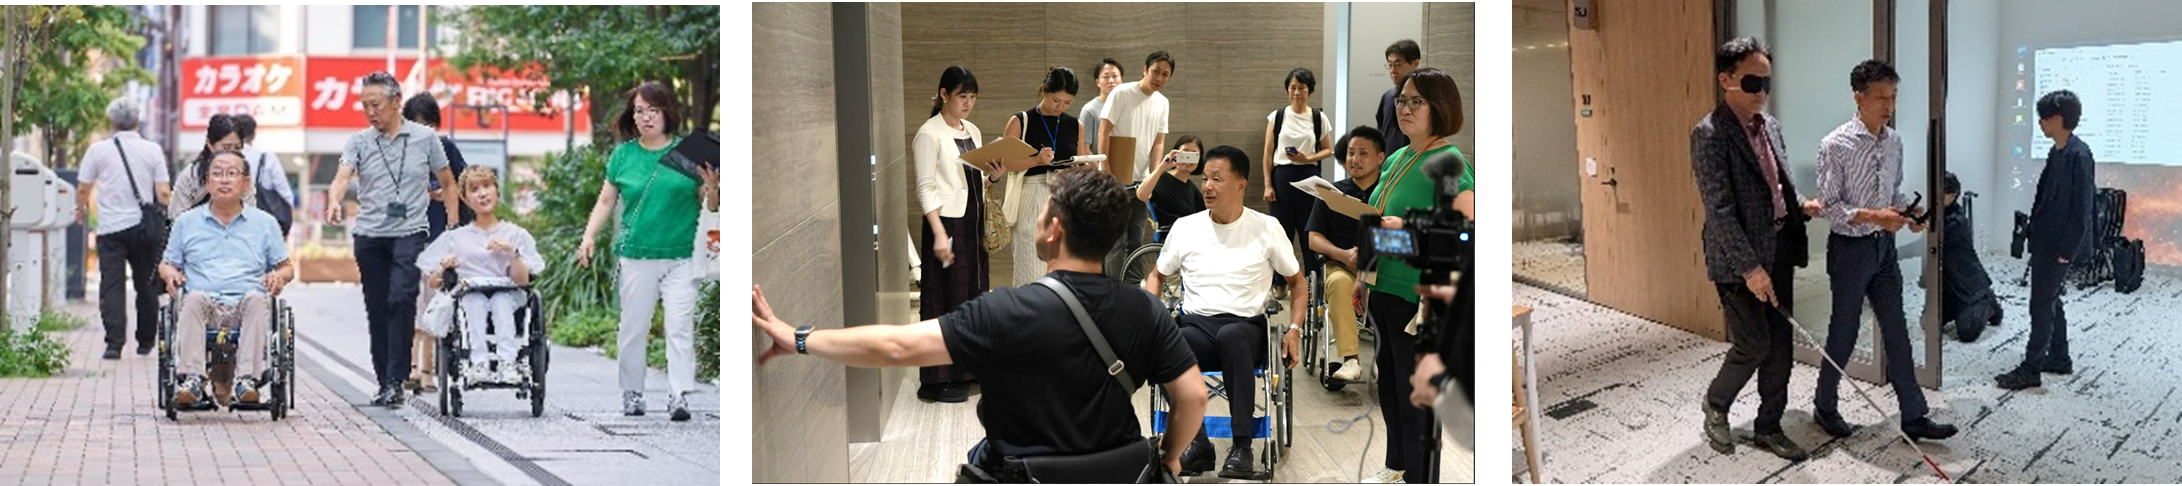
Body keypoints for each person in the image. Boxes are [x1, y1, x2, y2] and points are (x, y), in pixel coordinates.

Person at [751, 167, 1209, 482]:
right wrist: (1169, 456)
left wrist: (801, 338)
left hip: (1020, 474)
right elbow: (1192, 396)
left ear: (1054, 230)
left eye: (1043, 210)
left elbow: (896, 347)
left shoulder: (1004, 309)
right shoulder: (1145, 309)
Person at [1810, 59, 1959, 442]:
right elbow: (1829, 207)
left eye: (1892, 97)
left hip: (1883, 249)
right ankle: (1824, 405)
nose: (1888, 106)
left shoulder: (1894, 141)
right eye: (1880, 97)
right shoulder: (1835, 144)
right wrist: (1875, 216)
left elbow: (1892, 194)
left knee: (1897, 330)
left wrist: (1909, 214)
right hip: (1850, 249)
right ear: (1858, 98)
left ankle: (1914, 416)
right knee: (1843, 332)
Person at [1141, 145, 1304, 479]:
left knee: (1231, 336)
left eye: (1217, 178)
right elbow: (1157, 276)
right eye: (1205, 178)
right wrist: (1152, 322)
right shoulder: (1186, 227)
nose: (1207, 186)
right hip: (1196, 325)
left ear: (1241, 184)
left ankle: (1242, 446)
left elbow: (1298, 283)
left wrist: (1294, 331)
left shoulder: (1266, 227)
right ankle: (1197, 442)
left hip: (1246, 328)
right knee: (1166, 347)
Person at [1691, 36, 1812, 461]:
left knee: (1780, 346)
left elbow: (1777, 187)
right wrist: (1750, 269)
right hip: (1736, 258)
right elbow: (1720, 210)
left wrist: (1802, 205)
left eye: (1767, 83)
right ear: (1725, 79)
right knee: (1753, 344)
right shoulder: (1710, 134)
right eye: (1752, 82)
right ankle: (1716, 403)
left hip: (1778, 246)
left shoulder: (1771, 126)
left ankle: (1769, 427)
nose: (1761, 92)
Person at [576, 81, 721, 421]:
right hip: (637, 256)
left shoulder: (688, 152)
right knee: (633, 328)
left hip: (682, 256)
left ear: (667, 112)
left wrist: (713, 187)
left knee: (679, 326)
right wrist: (589, 236)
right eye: (639, 111)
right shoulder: (623, 155)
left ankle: (679, 395)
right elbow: (606, 200)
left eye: (653, 110)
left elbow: (709, 205)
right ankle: (633, 392)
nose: (646, 117)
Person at [1358, 66, 1469, 483]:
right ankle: (1398, 465)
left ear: (1439, 107)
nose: (1404, 108)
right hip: (1384, 286)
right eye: (1401, 100)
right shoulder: (1398, 157)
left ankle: (1421, 477)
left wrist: (1406, 228)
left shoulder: (1449, 162)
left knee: (1416, 397)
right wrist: (1363, 274)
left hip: (1419, 296)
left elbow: (1463, 233)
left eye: (1416, 102)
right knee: (1389, 387)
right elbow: (1379, 220)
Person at [326, 70, 461, 408]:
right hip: (369, 236)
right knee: (378, 308)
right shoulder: (358, 141)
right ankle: (387, 381)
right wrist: (334, 200)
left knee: (402, 298)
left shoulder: (426, 138)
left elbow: (448, 182)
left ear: (396, 101)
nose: (370, 112)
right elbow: (342, 176)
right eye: (364, 106)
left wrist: (453, 227)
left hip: (409, 232)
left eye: (376, 104)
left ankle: (397, 376)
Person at [157, 151, 293, 407]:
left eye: (232, 173)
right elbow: (167, 263)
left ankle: (246, 381)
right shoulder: (186, 222)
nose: (224, 180)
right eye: (217, 174)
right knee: (193, 298)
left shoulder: (265, 223)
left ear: (246, 183)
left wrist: (278, 276)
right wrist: (170, 273)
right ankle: (193, 381)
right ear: (207, 183)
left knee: (257, 299)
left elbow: (286, 268)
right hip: (204, 304)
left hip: (246, 304)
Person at [893, 66, 996, 404]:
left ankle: (967, 370)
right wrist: (938, 234)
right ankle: (935, 381)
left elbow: (973, 181)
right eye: (962, 96)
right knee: (943, 299)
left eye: (972, 97)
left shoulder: (972, 130)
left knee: (972, 296)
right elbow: (925, 189)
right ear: (943, 95)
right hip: (947, 225)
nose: (968, 103)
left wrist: (994, 177)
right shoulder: (929, 134)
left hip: (972, 223)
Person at [1999, 89, 2094, 390]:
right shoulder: (2058, 151)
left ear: (2058, 118)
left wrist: (2067, 251)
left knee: (2041, 304)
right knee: (2050, 300)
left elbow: (2082, 210)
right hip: (2046, 241)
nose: (2040, 123)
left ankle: (2031, 369)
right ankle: (2059, 357)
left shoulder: (2079, 155)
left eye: (2043, 118)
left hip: (2059, 246)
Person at [419, 166, 544, 384]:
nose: (482, 194)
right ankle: (478, 364)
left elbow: (523, 281)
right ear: (465, 199)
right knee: (473, 300)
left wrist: (512, 254)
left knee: (500, 300)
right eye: (474, 189)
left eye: (487, 186)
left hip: (508, 294)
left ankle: (507, 363)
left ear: (497, 191)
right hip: (470, 295)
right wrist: (443, 268)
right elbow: (433, 282)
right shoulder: (455, 238)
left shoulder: (515, 234)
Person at [77, 97, 172, 360]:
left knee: (112, 287)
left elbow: (84, 187)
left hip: (110, 229)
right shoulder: (152, 150)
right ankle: (146, 341)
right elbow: (163, 193)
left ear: (111, 122)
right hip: (145, 229)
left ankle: (114, 344)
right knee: (146, 284)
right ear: (137, 121)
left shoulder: (98, 150)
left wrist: (79, 210)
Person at [402, 92, 477, 394]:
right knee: (410, 301)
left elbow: (465, 186)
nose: (425, 131)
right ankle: (411, 368)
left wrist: (449, 211)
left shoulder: (447, 148)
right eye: (418, 125)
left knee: (433, 300)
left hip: (440, 237)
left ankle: (426, 371)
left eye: (429, 124)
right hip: (409, 236)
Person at [999, 67, 1090, 287]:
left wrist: (1081, 168)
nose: (1061, 107)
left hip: (1065, 198)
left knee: (1064, 271)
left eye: (1067, 103)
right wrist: (1036, 161)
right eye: (1056, 100)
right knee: (1029, 268)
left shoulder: (1075, 125)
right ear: (1043, 90)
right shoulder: (1021, 121)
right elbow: (1004, 164)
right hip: (1032, 194)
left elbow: (1080, 161)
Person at [1307, 126, 1384, 383]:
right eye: (1351, 153)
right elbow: (1314, 238)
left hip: (1380, 266)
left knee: (1389, 288)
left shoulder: (1388, 194)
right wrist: (1342, 254)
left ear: (1380, 158)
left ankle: (1384, 358)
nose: (1355, 159)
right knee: (1339, 283)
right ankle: (1351, 360)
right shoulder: (1331, 193)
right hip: (1342, 264)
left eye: (1363, 153)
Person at [1262, 67, 1334, 299]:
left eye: (1301, 88)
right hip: (1281, 178)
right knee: (1281, 232)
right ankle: (1280, 282)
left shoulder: (1318, 117)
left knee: (1309, 231)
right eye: (1292, 87)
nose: (1296, 92)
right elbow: (1268, 153)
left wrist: (1308, 158)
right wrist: (1267, 184)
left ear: (1309, 90)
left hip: (1309, 177)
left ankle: (1313, 283)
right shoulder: (1277, 116)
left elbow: (1328, 149)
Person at [1100, 51, 1175, 253]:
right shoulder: (1122, 93)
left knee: (1136, 241)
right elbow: (1104, 131)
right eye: (1156, 71)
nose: (1159, 78)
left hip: (1141, 181)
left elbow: (1159, 143)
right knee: (1115, 241)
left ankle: (1132, 276)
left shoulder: (1163, 102)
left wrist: (1154, 176)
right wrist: (1106, 170)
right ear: (1145, 69)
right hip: (1115, 178)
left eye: (1165, 74)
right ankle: (1113, 277)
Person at [1939, 172, 2003, 342]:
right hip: (1950, 287)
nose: (1935, 197)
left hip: (1969, 287)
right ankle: (1963, 308)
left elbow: (1935, 239)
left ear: (1953, 195)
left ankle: (1987, 302)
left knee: (1967, 332)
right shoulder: (1940, 213)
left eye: (1940, 193)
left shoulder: (1956, 222)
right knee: (1927, 323)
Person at [166, 114, 249, 218]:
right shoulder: (191, 176)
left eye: (237, 148)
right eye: (226, 148)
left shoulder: (244, 176)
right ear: (210, 145)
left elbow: (250, 216)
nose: (231, 154)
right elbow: (177, 218)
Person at [231, 113, 299, 232]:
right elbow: (286, 194)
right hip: (262, 226)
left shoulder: (223, 159)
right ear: (254, 135)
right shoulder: (267, 158)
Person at [1138, 134, 1207, 237]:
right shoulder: (1161, 178)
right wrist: (1162, 166)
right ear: (1176, 154)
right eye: (1185, 153)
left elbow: (1206, 215)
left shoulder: (1192, 189)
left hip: (1190, 238)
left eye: (1194, 155)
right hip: (1172, 239)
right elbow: (1141, 195)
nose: (1188, 158)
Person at [1377, 40, 1420, 155]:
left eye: (1397, 65)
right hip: (1388, 161)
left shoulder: (1424, 99)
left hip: (1412, 160)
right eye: (1390, 65)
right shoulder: (1387, 97)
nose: (1392, 71)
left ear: (1415, 64)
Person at [1080, 58, 1124, 156]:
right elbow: (1085, 149)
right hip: (1098, 163)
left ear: (1121, 79)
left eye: (1115, 76)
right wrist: (1101, 166)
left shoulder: (1127, 106)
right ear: (1097, 82)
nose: (1111, 81)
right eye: (1106, 77)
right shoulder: (1089, 110)